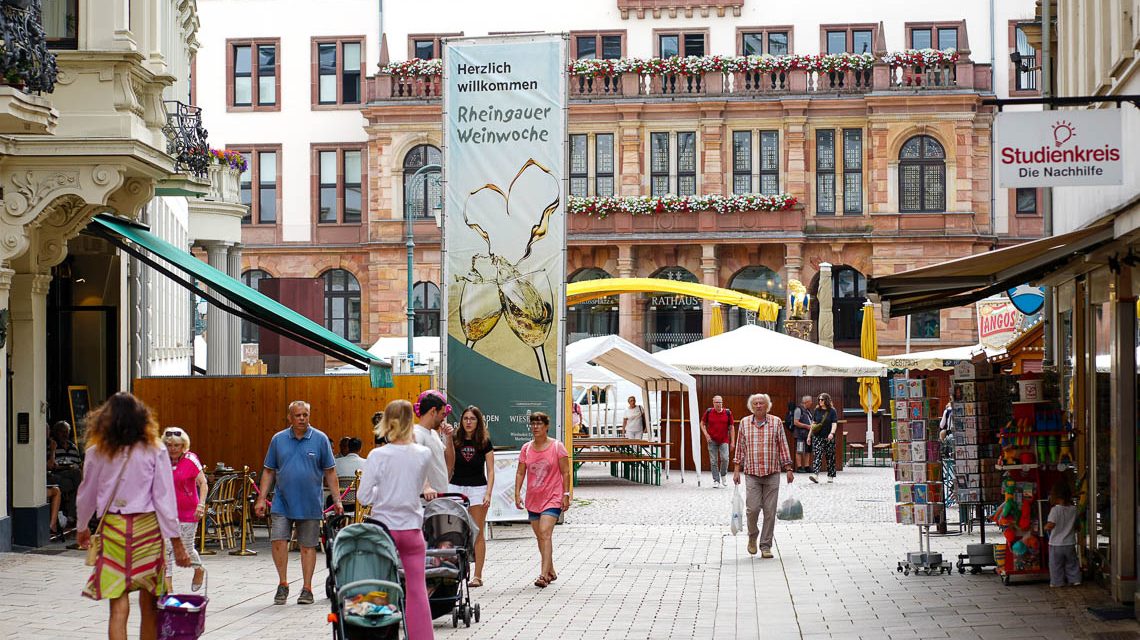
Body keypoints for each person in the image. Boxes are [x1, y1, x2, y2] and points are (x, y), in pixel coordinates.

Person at [75, 392, 191, 640]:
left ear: (105, 419)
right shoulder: (155, 450)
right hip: (148, 529)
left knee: (117, 605)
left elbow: (86, 492)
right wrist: (176, 541)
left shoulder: (97, 451)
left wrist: (82, 526)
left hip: (113, 528)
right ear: (142, 418)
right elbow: (164, 498)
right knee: (149, 604)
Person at [357, 399, 436, 640]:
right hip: (412, 528)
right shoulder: (424, 453)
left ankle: (380, 634)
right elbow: (415, 485)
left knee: (379, 587)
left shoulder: (377, 455)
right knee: (416, 589)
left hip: (384, 529)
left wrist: (384, 492)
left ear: (386, 422)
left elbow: (363, 496)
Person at [254, 400, 343, 606]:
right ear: (289, 417)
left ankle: (307, 588)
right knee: (278, 540)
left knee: (308, 545)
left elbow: (330, 471)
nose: (302, 418)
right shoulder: (278, 439)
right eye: (298, 415)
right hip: (282, 501)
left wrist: (337, 499)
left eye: (305, 414)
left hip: (310, 502)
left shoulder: (320, 439)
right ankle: (283, 583)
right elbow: (269, 470)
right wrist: (261, 498)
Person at [732, 393, 794, 558]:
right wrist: (737, 469)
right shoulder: (745, 423)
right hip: (752, 473)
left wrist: (788, 468)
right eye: (756, 403)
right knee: (752, 509)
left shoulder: (776, 422)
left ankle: (766, 546)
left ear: (767, 406)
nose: (758, 405)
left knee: (770, 511)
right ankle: (752, 537)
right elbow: (740, 447)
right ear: (752, 407)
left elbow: (783, 445)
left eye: (761, 403)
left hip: (772, 472)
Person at [514, 412, 570, 588]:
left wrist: (566, 495)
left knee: (545, 532)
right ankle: (551, 569)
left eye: (539, 424)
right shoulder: (527, 448)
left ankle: (543, 575)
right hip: (534, 497)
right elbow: (521, 472)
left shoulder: (557, 447)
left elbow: (566, 472)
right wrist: (517, 493)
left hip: (552, 496)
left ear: (547, 426)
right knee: (540, 537)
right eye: (533, 424)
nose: (535, 427)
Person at [448, 406, 495, 588]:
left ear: (478, 421)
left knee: (477, 532)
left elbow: (491, 470)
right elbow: (448, 464)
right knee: (454, 532)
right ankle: (453, 572)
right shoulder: (454, 439)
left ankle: (478, 576)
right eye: (465, 418)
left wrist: (488, 493)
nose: (468, 422)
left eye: (472, 419)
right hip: (455, 487)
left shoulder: (484, 442)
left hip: (478, 488)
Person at [161, 426, 207, 593]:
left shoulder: (190, 459)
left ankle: (198, 569)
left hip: (189, 512)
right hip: (167, 513)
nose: (172, 449)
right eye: (169, 445)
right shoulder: (161, 460)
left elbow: (203, 483)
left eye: (176, 445)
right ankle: (168, 590)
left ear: (183, 446)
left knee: (187, 549)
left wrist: (201, 505)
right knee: (165, 550)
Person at [413, 390, 455, 493]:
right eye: (442, 414)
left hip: (439, 498)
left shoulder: (434, 434)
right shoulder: (416, 433)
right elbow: (414, 463)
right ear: (433, 411)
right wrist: (426, 487)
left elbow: (449, 465)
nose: (443, 419)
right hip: (425, 502)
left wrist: (449, 438)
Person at [1045, 479, 1080, 587]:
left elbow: (1051, 525)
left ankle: (1057, 582)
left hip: (1056, 543)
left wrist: (1045, 527)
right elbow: (1077, 525)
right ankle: (1075, 580)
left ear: (1055, 495)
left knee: (1055, 565)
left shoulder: (1055, 510)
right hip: (1070, 542)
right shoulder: (1073, 509)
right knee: (1072, 563)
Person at [700, 395, 734, 488]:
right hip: (712, 440)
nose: (718, 404)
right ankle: (716, 480)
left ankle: (723, 475)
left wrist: (732, 442)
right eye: (716, 402)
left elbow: (731, 427)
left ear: (722, 402)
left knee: (725, 458)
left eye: (720, 402)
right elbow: (702, 423)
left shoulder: (727, 413)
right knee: (713, 461)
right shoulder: (709, 412)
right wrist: (706, 435)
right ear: (713, 403)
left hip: (724, 440)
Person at [808, 393, 839, 484]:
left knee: (830, 457)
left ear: (826, 400)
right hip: (818, 437)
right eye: (819, 400)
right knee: (817, 455)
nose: (820, 401)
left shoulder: (832, 411)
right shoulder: (817, 410)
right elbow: (813, 424)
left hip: (828, 437)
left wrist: (832, 433)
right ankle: (815, 475)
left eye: (822, 400)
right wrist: (809, 436)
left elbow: (834, 423)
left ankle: (830, 475)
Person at [792, 395, 815, 472]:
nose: (811, 403)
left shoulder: (808, 410)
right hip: (800, 434)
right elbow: (795, 422)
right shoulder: (798, 410)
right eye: (810, 401)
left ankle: (806, 466)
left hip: (808, 434)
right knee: (799, 450)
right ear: (806, 402)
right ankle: (799, 467)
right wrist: (806, 426)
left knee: (808, 450)